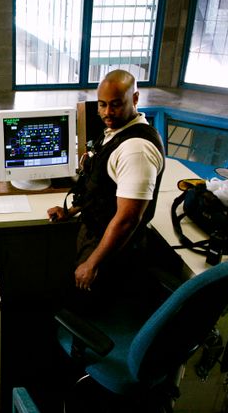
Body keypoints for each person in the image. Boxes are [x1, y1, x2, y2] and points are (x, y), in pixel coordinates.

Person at [47, 69, 166, 299]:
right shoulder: (117, 132)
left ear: (135, 99)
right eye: (102, 105)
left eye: (116, 104)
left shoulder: (136, 150)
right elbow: (101, 189)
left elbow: (127, 220)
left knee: (90, 309)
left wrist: (92, 264)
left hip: (110, 252)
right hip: (96, 235)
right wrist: (70, 211)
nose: (107, 112)